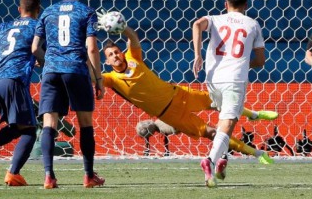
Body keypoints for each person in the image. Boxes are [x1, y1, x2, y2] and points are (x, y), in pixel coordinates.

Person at [100, 24, 276, 163]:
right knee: (213, 134)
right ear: (107, 61)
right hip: (170, 115)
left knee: (221, 104)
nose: (115, 55)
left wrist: (123, 28)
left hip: (180, 94)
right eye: (111, 55)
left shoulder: (133, 58)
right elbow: (93, 78)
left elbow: (133, 38)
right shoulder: (111, 79)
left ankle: (254, 114)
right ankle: (258, 153)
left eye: (116, 52)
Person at [31, 0, 105, 189]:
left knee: (49, 123)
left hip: (52, 71)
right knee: (85, 123)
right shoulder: (87, 12)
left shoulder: (48, 12)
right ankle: (88, 176)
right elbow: (91, 48)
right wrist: (98, 79)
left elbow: (35, 48)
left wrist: (47, 63)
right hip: (76, 70)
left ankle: (48, 176)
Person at [192, 0, 266, 188]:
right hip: (234, 79)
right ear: (246, 5)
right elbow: (260, 60)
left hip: (213, 78)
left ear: (226, 4)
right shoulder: (252, 24)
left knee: (225, 120)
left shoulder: (215, 19)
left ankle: (223, 157)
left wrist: (198, 55)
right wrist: (243, 62)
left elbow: (197, 24)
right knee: (228, 121)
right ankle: (210, 160)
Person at [0, 0, 44, 186]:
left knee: (17, 126)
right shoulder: (38, 26)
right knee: (30, 129)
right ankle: (13, 173)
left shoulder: (4, 26)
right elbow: (35, 49)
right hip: (13, 81)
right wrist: (42, 61)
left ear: (19, 10)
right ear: (38, 10)